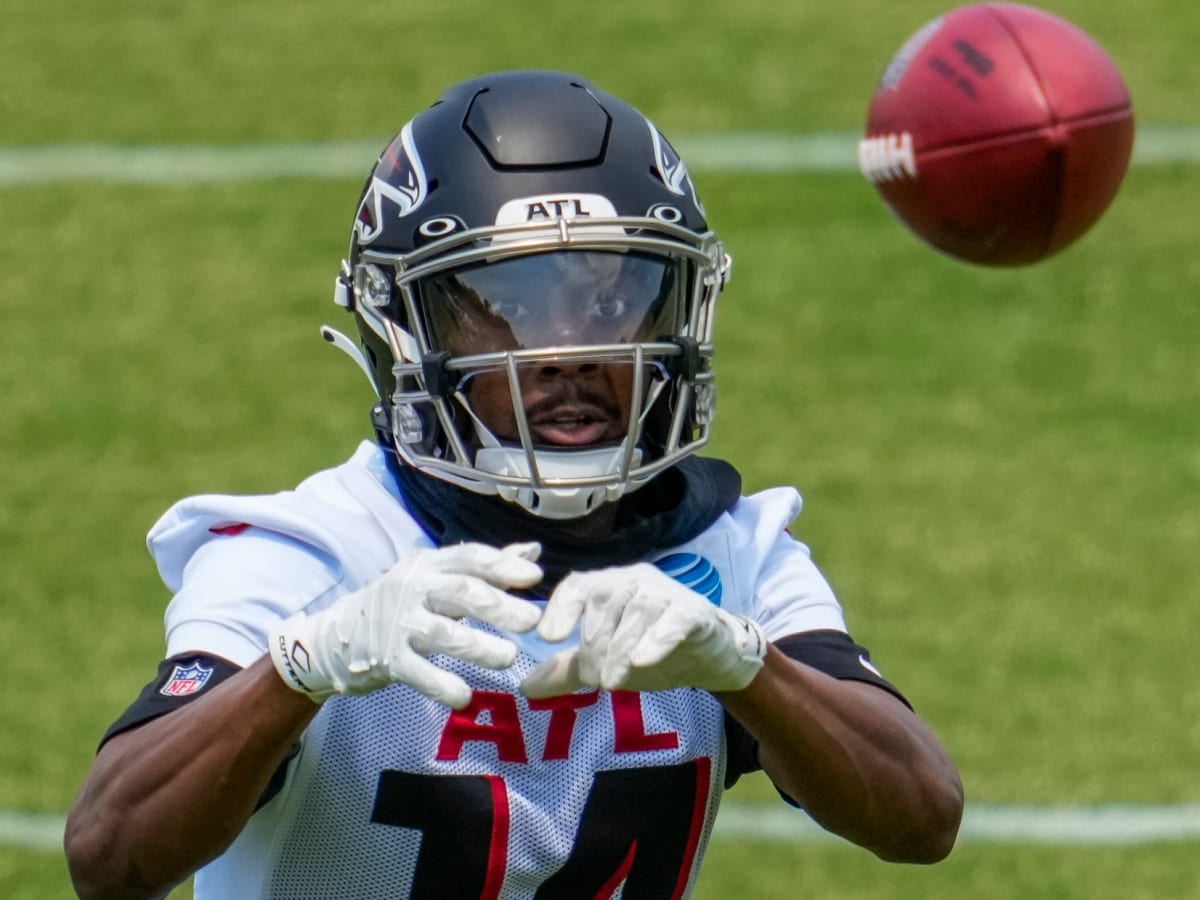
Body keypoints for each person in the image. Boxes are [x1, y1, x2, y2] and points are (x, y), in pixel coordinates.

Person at [64, 69, 963, 899]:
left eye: (613, 298)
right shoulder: (311, 555)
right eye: (505, 308)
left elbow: (920, 816)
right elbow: (110, 850)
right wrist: (299, 670)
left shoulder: (730, 550)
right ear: (406, 333)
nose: (568, 349)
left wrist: (747, 668)